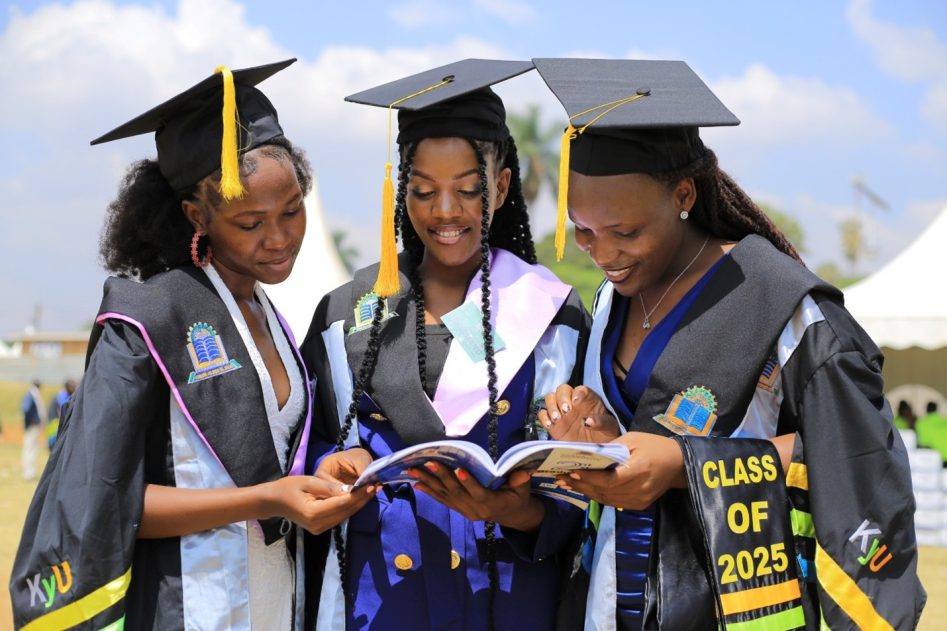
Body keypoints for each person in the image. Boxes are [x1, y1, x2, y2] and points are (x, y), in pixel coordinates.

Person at [530, 58, 925, 630]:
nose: (604, 254)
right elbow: (638, 438)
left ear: (683, 194)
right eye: (584, 231)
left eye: (626, 232)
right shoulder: (610, 303)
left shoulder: (786, 310)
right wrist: (599, 440)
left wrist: (683, 465)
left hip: (738, 607)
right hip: (612, 604)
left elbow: (863, 461)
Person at [10, 59, 375, 631]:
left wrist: (324, 468)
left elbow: (276, 462)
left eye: (292, 210)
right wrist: (267, 500)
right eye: (250, 222)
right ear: (195, 215)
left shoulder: (269, 316)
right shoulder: (146, 319)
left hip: (277, 601)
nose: (279, 239)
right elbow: (108, 504)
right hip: (188, 607)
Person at [301, 59, 590, 630]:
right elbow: (309, 443)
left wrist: (524, 511)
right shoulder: (347, 313)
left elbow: (581, 486)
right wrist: (331, 466)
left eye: (468, 189)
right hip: (385, 599)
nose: (446, 212)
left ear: (502, 186)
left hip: (506, 595)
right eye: (424, 191)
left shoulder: (551, 313)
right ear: (400, 192)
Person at [20, 379, 46, 480]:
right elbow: (26, 409)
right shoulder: (31, 395)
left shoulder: (34, 394)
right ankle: (28, 473)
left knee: (33, 448)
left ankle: (31, 472)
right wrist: (33, 420)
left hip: (34, 426)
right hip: (31, 427)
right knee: (30, 448)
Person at [45, 378, 77, 449]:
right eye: (73, 386)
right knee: (54, 443)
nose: (74, 388)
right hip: (55, 423)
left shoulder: (67, 396)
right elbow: (62, 412)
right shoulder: (61, 397)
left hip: (57, 423)